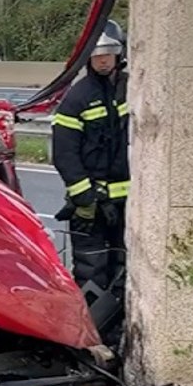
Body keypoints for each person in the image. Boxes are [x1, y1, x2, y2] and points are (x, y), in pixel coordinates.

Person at [51, 32, 130, 292]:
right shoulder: (77, 98)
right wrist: (85, 199)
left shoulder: (131, 89)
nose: (103, 60)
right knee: (91, 270)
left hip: (125, 204)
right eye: (97, 55)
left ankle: (118, 329)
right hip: (90, 205)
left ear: (119, 53)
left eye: (108, 53)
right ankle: (93, 328)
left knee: (123, 268)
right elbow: (64, 154)